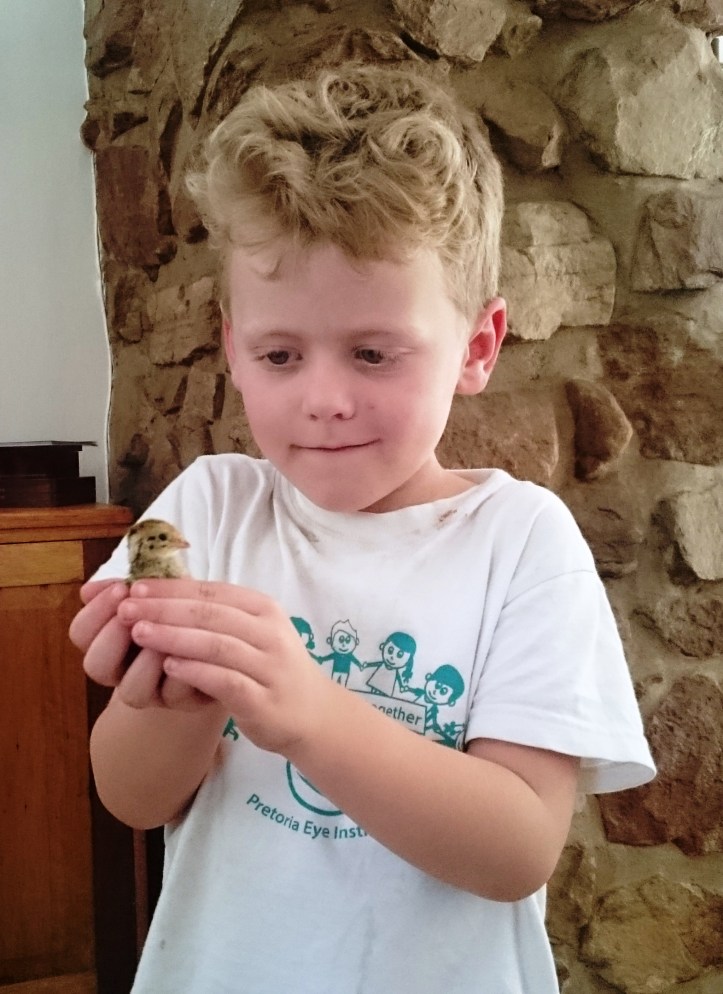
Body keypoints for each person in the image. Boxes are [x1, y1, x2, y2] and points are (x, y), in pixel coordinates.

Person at [69, 63, 655, 994]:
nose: (324, 399)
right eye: (279, 355)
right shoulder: (197, 509)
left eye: (373, 353)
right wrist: (165, 702)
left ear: (476, 348)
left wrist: (309, 716)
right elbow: (131, 798)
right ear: (231, 347)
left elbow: (516, 850)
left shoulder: (521, 541)